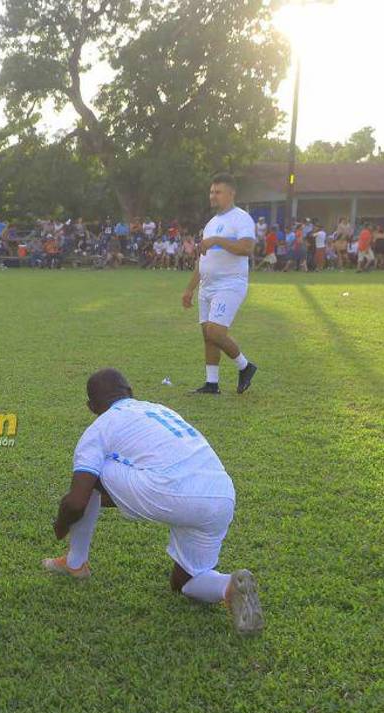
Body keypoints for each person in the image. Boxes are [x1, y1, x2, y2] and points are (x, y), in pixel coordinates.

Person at [43, 369, 264, 635]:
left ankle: (75, 562)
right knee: (184, 583)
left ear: (91, 407)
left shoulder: (99, 428)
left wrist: (61, 524)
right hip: (222, 494)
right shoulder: (159, 409)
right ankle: (228, 587)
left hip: (172, 492)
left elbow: (76, 503)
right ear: (131, 391)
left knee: (91, 474)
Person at [181, 173, 258, 395]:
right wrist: (189, 288)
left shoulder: (241, 218)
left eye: (218, 192)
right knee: (207, 335)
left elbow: (246, 248)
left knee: (215, 332)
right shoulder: (211, 223)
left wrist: (216, 241)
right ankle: (211, 384)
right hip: (207, 285)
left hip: (230, 284)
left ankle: (245, 366)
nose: (213, 196)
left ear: (231, 193)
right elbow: (203, 260)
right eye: (211, 191)